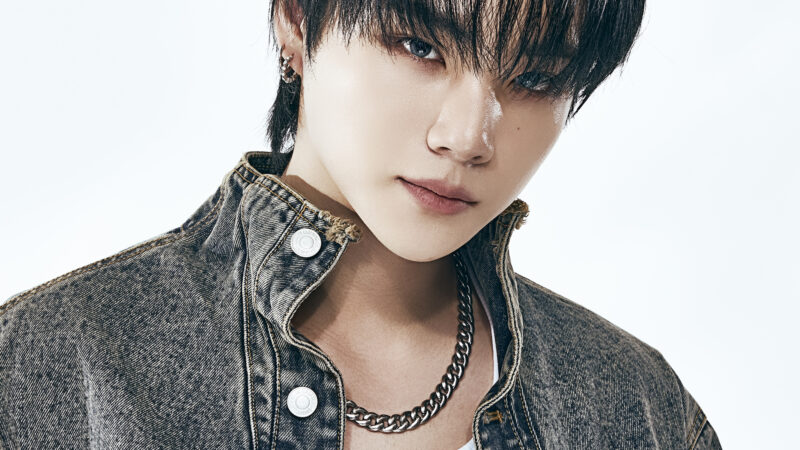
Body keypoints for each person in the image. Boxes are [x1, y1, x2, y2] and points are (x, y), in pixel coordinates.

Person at [0, 0, 722, 448]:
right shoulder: (57, 363)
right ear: (296, 20)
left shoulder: (635, 405)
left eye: (534, 78)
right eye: (420, 47)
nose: (467, 137)